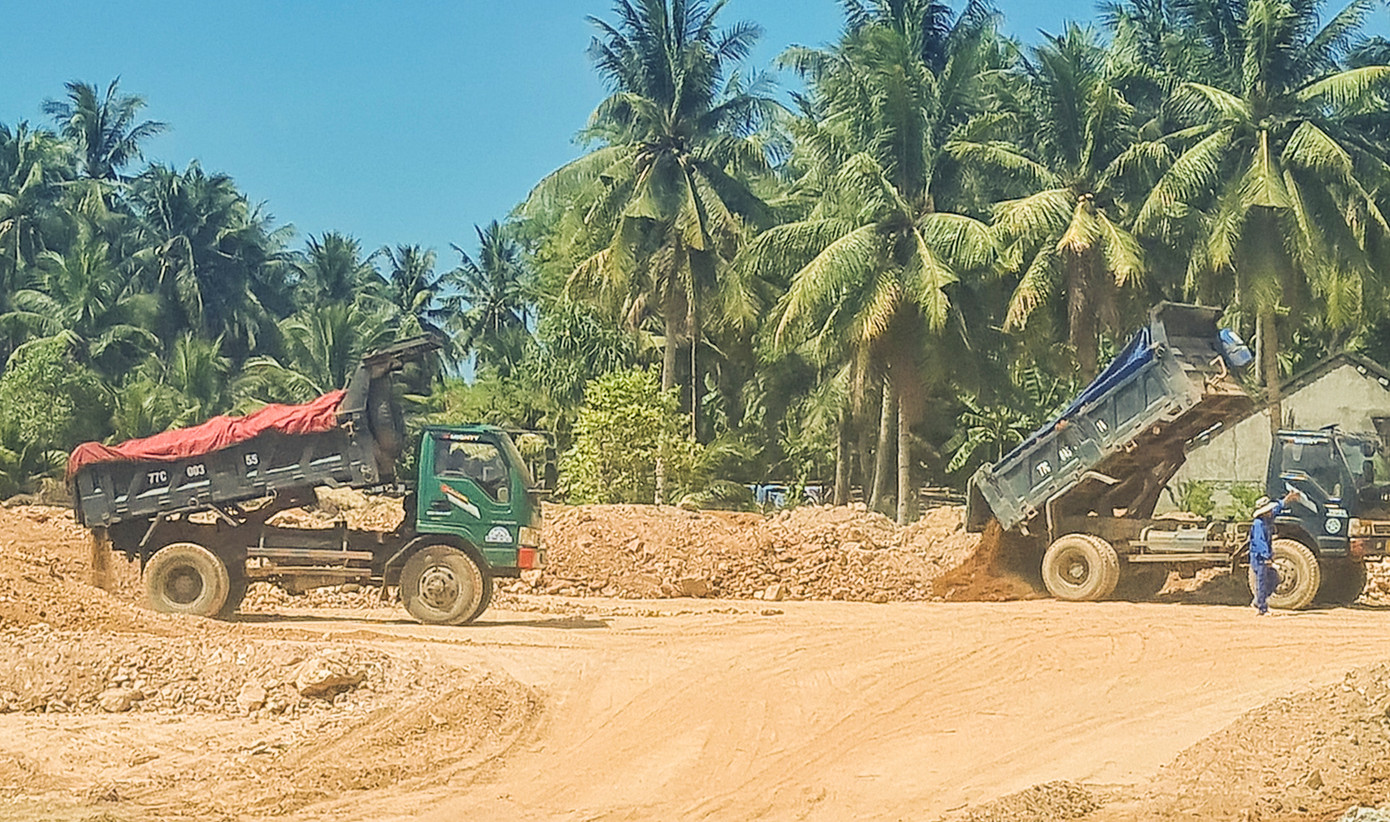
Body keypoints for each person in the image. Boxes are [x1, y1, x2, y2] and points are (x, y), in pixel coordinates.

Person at [1250, 489, 1301, 615]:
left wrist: (1287, 500)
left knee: (1274, 578)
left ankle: (1258, 601)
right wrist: (1266, 556)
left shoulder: (1267, 519)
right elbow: (1259, 541)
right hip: (1259, 557)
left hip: (1264, 555)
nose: (1271, 511)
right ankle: (1262, 608)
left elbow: (1277, 508)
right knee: (1262, 581)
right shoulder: (1258, 524)